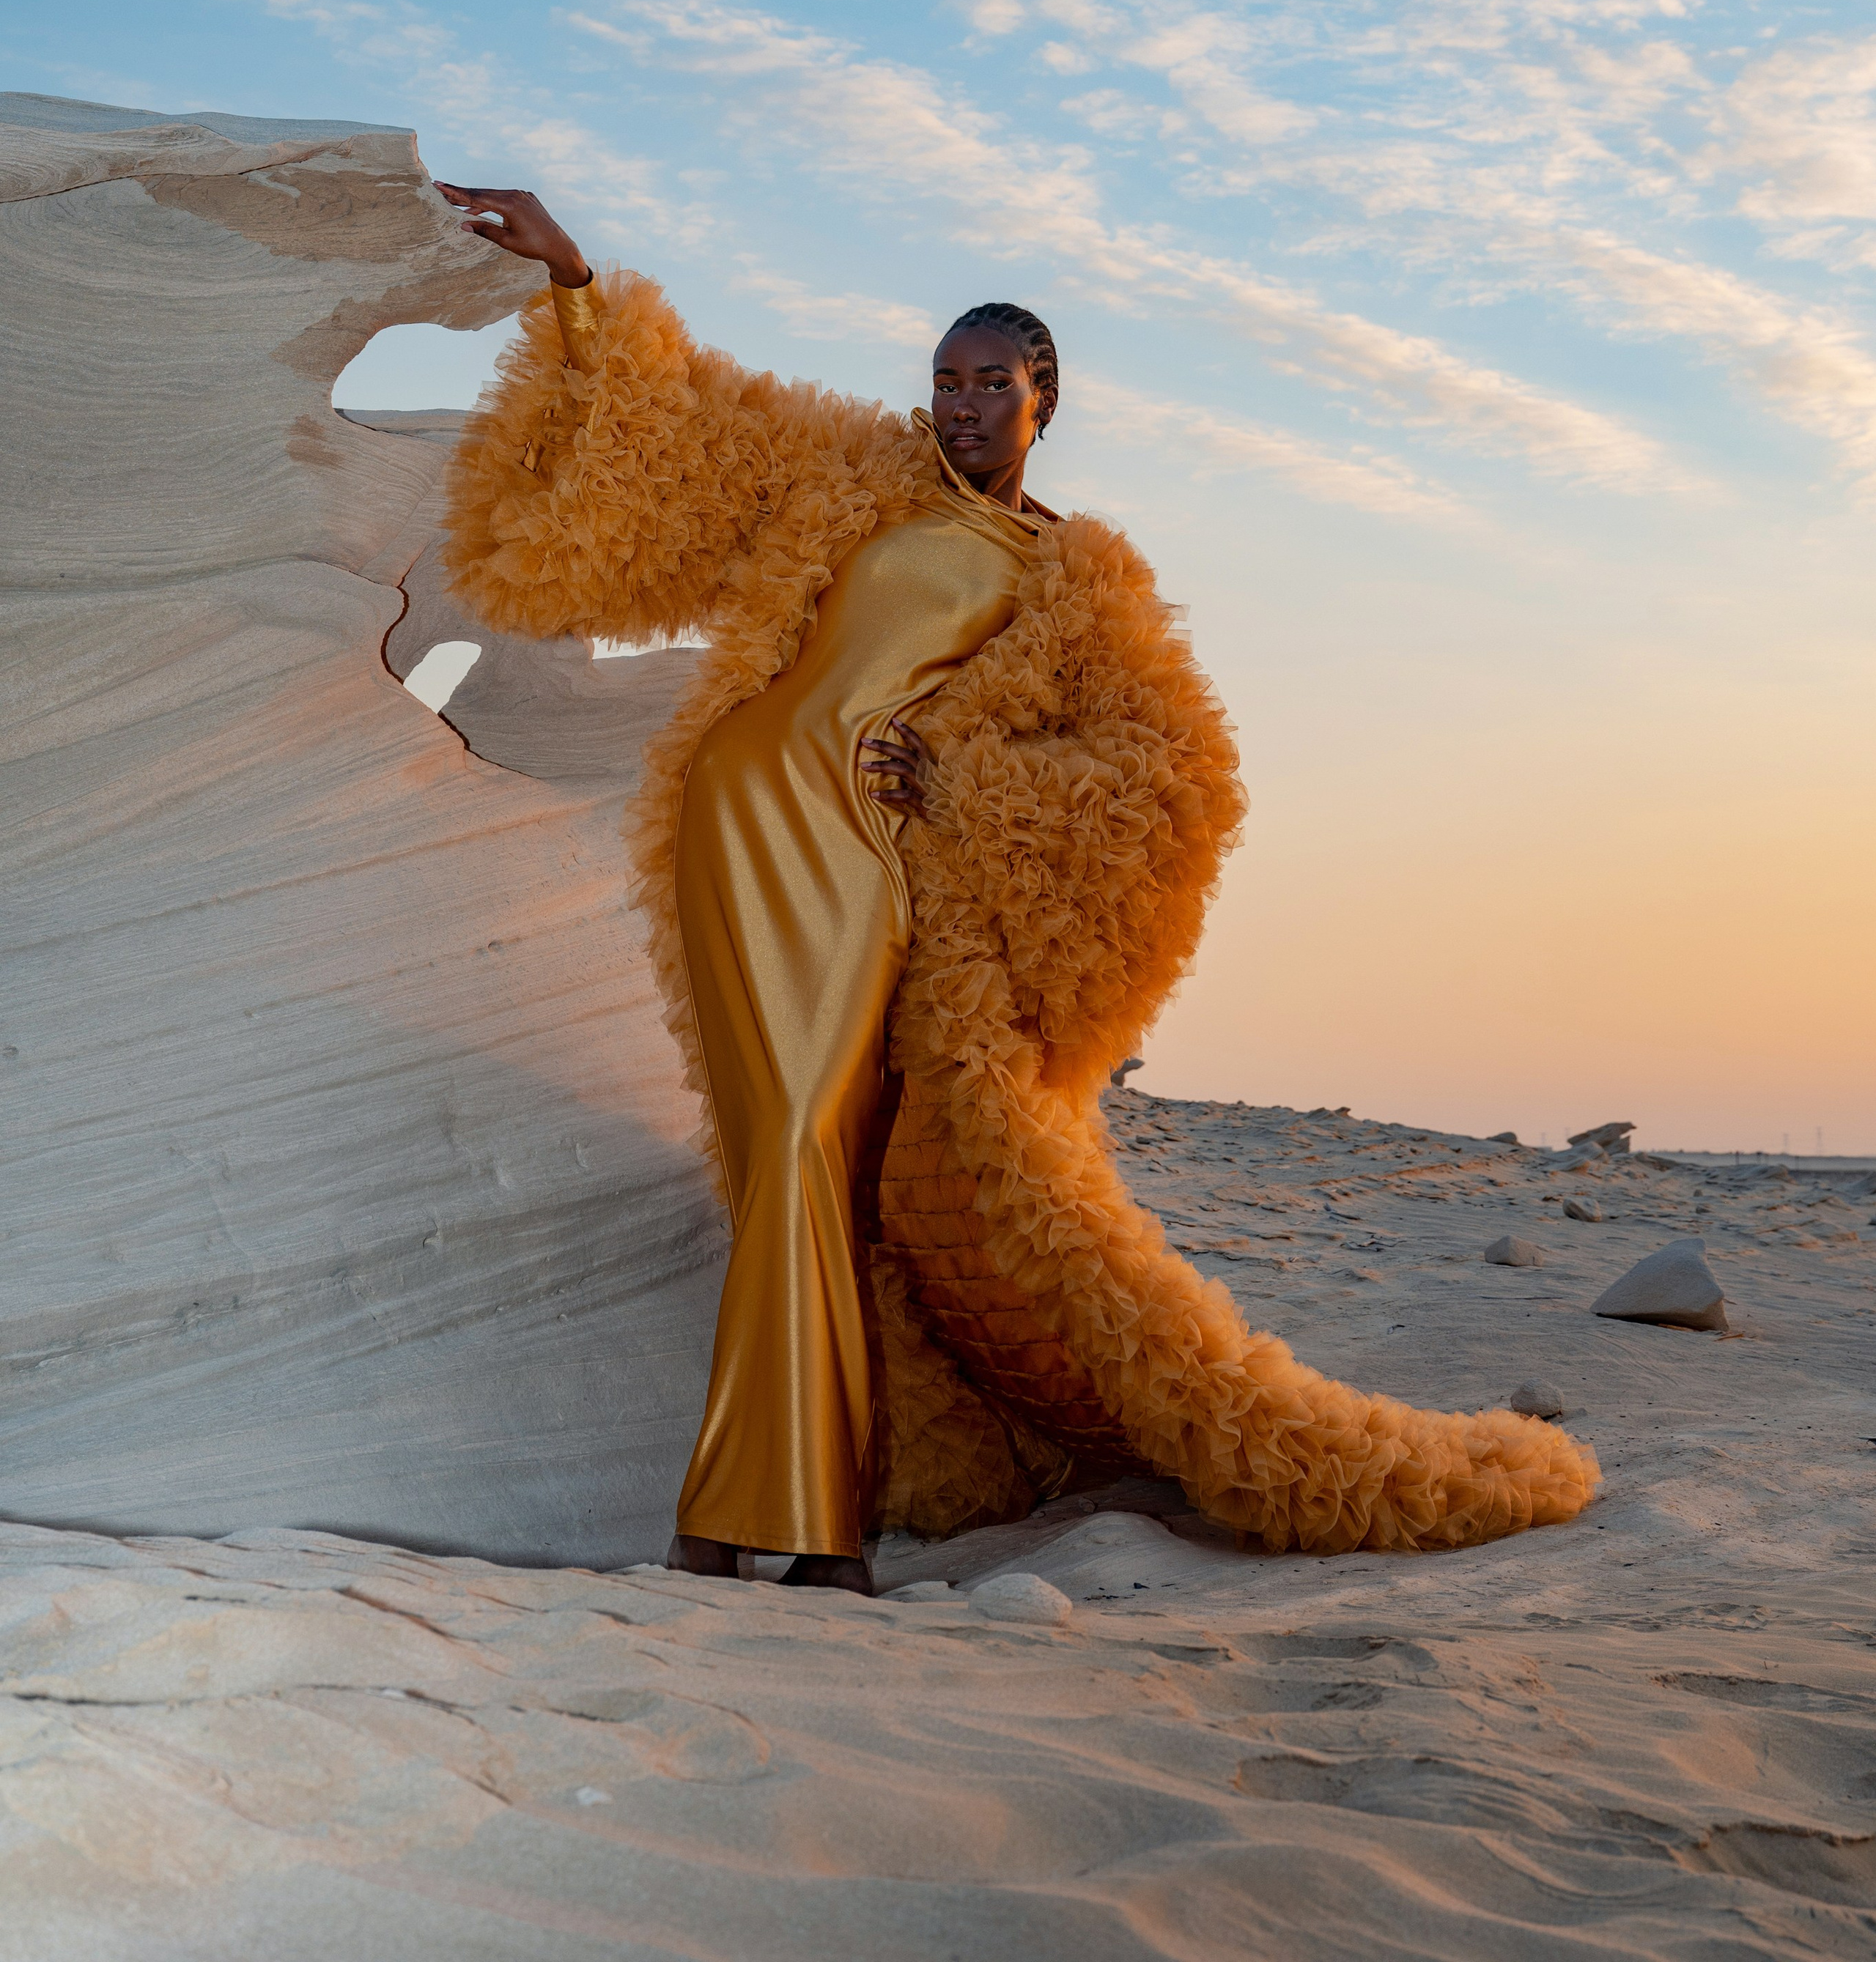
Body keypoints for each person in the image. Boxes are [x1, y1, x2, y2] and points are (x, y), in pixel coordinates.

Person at [436, 182, 1600, 1591]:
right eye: (943, 380)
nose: (961, 405)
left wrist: (973, 787)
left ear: (1046, 399)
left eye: (992, 383)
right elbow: (690, 429)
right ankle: (794, 1535)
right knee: (785, 1159)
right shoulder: (858, 474)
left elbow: (1169, 773)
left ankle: (755, 1521)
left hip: (872, 858)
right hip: (745, 816)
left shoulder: (1075, 572)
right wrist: (573, 282)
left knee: (820, 1157)